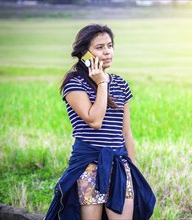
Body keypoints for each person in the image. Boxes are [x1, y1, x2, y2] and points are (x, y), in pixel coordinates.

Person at [45, 24, 156, 220]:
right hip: (88, 166)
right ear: (84, 53)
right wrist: (102, 83)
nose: (107, 52)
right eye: (99, 47)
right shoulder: (74, 82)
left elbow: (126, 132)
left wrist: (131, 167)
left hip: (120, 166)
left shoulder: (121, 84)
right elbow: (95, 120)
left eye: (110, 46)